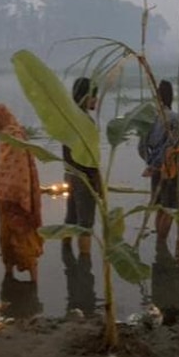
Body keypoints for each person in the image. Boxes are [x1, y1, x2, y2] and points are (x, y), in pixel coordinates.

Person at [0, 104, 43, 281]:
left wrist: (17, 193)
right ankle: (9, 277)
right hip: (4, 198)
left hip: (16, 199)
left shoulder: (14, 137)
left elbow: (19, 170)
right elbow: (5, 169)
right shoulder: (7, 137)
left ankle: (33, 281)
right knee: (6, 239)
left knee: (22, 238)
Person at [139, 80, 179, 253]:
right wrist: (160, 164)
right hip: (169, 168)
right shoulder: (175, 118)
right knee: (169, 207)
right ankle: (161, 244)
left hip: (155, 168)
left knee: (159, 206)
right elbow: (170, 146)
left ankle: (160, 245)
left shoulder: (150, 118)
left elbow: (141, 147)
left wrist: (150, 164)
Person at [62, 77, 100, 257]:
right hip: (84, 178)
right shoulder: (86, 122)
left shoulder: (67, 118)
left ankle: (67, 261)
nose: (95, 101)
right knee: (85, 225)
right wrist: (97, 181)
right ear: (86, 97)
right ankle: (85, 268)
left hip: (69, 174)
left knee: (70, 219)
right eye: (94, 97)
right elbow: (90, 158)